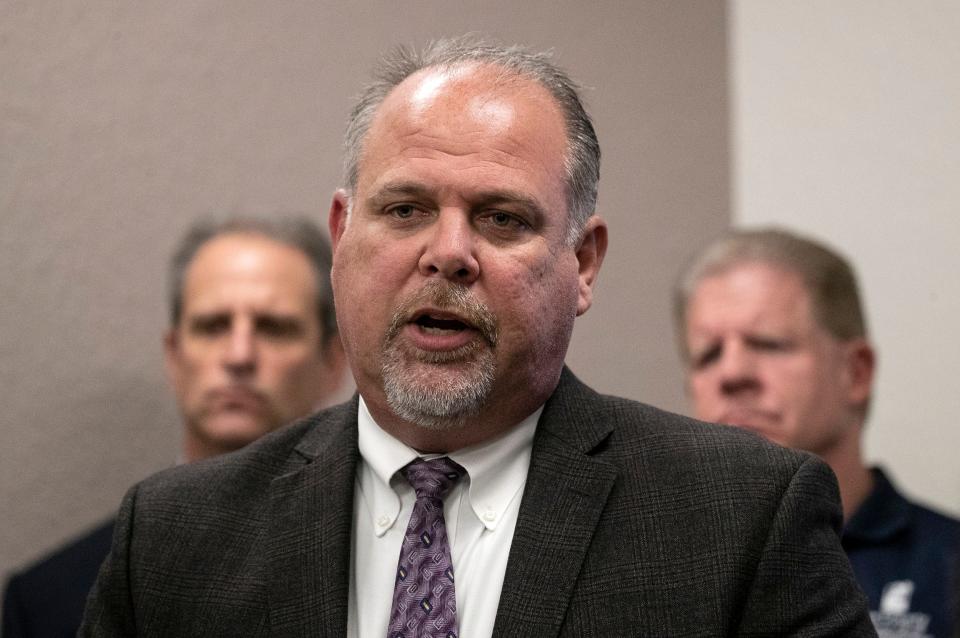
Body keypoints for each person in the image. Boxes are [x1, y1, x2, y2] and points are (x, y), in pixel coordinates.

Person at [80, 38, 876, 637]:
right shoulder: (174, 538)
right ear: (341, 235)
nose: (448, 253)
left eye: (502, 219)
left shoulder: (742, 518)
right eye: (404, 210)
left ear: (584, 263)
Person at [2, 216, 346, 638]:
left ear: (333, 362)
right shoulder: (45, 601)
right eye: (213, 325)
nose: (239, 355)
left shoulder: (381, 564)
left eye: (273, 328)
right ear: (173, 355)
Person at [675, 227, 959, 637]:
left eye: (768, 343)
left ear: (856, 372)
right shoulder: (653, 569)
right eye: (708, 354)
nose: (732, 373)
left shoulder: (948, 564)